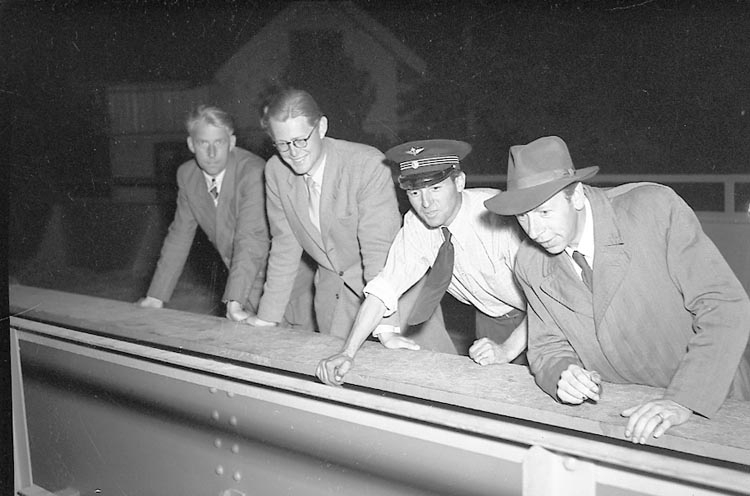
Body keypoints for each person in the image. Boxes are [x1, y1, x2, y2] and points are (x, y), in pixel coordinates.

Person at [484, 135, 750, 444]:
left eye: (544, 212)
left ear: (577, 196)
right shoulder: (530, 262)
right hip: (626, 415)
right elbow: (547, 346)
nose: (534, 231)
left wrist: (684, 399)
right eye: (522, 216)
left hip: (710, 398)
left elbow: (723, 304)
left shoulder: (653, 209)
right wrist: (562, 374)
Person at [316, 139, 529, 387]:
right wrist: (348, 352)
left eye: (436, 188)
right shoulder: (417, 225)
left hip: (545, 316)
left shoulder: (499, 217)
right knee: (495, 391)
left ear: (459, 182)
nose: (426, 204)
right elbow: (383, 289)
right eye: (415, 192)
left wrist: (507, 350)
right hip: (491, 317)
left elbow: (547, 300)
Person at [245, 89, 448, 346]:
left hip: (395, 297)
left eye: (300, 140)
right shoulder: (275, 171)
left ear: (321, 127)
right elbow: (285, 245)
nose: (293, 153)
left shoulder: (366, 164)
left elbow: (379, 250)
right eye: (283, 144)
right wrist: (267, 317)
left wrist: (386, 327)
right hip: (335, 299)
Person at [139, 104, 313, 327]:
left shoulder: (253, 172)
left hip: (291, 285)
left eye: (219, 143)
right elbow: (179, 237)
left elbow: (250, 239)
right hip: (246, 287)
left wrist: (234, 299)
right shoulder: (187, 175)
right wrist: (156, 296)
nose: (211, 153)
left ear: (231, 142)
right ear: (191, 144)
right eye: (203, 143)